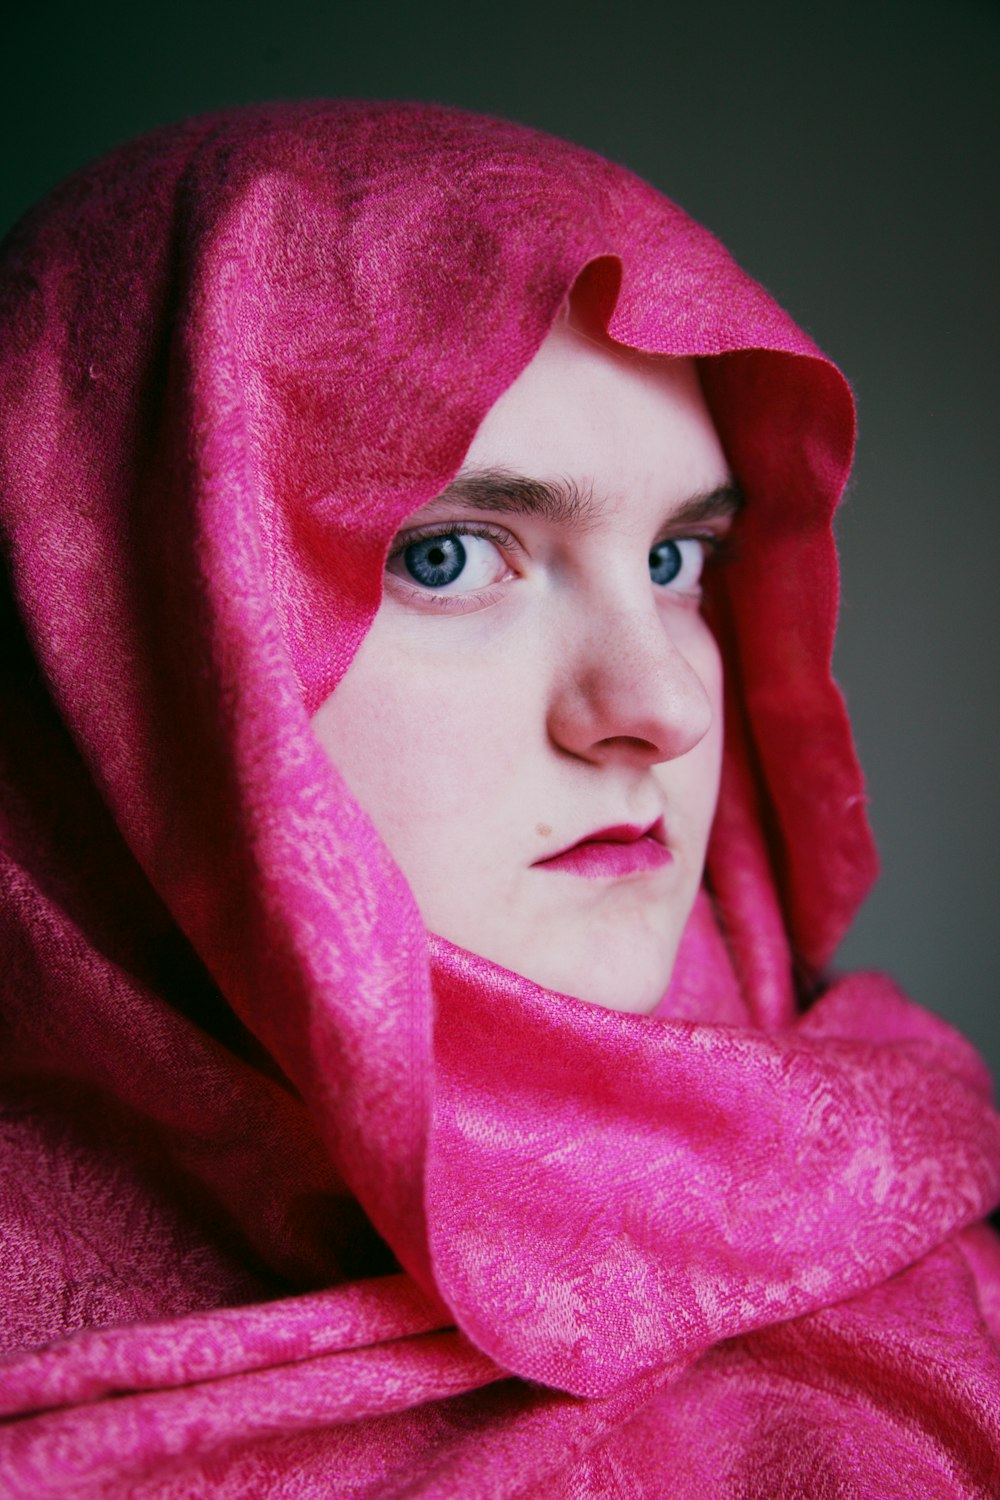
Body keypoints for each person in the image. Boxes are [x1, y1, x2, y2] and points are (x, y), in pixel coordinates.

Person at [0, 100, 997, 1497]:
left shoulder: (936, 1270)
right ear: (113, 652)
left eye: (677, 561)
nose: (665, 708)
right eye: (453, 555)